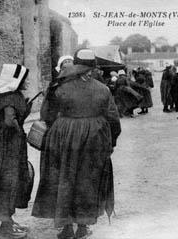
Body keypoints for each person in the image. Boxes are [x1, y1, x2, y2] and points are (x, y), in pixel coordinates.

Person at [32, 48, 121, 239]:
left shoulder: (59, 87)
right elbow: (113, 120)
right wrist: (111, 142)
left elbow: (46, 115)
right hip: (94, 139)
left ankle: (65, 228)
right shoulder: (103, 89)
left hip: (63, 137)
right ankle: (83, 226)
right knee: (87, 181)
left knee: (64, 179)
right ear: (93, 67)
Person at [0, 64, 33, 239]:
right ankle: (6, 226)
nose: (25, 82)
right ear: (15, 80)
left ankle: (7, 222)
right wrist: (20, 132)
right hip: (7, 142)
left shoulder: (10, 96)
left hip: (6, 140)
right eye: (23, 79)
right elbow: (10, 121)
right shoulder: (11, 97)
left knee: (9, 180)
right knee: (7, 180)